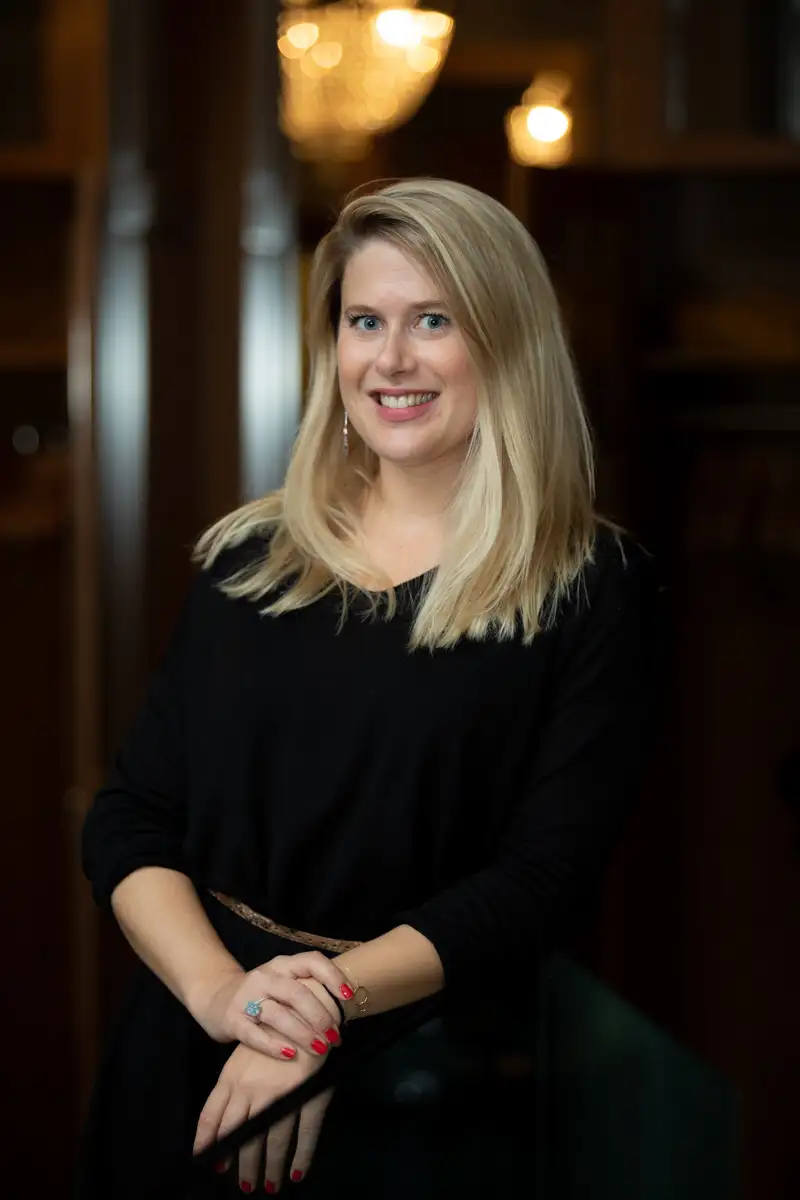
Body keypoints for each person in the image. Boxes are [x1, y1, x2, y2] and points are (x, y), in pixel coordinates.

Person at [77, 177, 659, 1199]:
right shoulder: (251, 557)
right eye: (363, 321)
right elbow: (130, 819)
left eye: (432, 320)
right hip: (188, 1057)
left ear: (507, 341)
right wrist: (231, 1004)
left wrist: (318, 1013)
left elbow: (539, 883)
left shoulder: (589, 586)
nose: (389, 359)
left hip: (428, 1082)